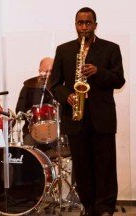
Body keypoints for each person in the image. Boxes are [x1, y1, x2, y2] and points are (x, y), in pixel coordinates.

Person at [49, 7, 125, 216]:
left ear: (95, 25)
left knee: (105, 165)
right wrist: (68, 97)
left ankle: (105, 208)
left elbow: (119, 80)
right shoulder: (64, 50)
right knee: (82, 167)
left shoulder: (111, 49)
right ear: (75, 25)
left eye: (88, 23)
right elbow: (54, 85)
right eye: (80, 23)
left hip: (103, 117)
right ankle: (89, 207)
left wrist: (98, 72)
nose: (84, 27)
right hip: (76, 116)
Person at [15, 57, 55, 151]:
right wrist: (30, 115)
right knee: (28, 153)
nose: (47, 74)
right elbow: (19, 109)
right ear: (39, 71)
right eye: (45, 71)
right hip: (32, 132)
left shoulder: (59, 87)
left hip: (54, 132)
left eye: (51, 71)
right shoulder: (28, 87)